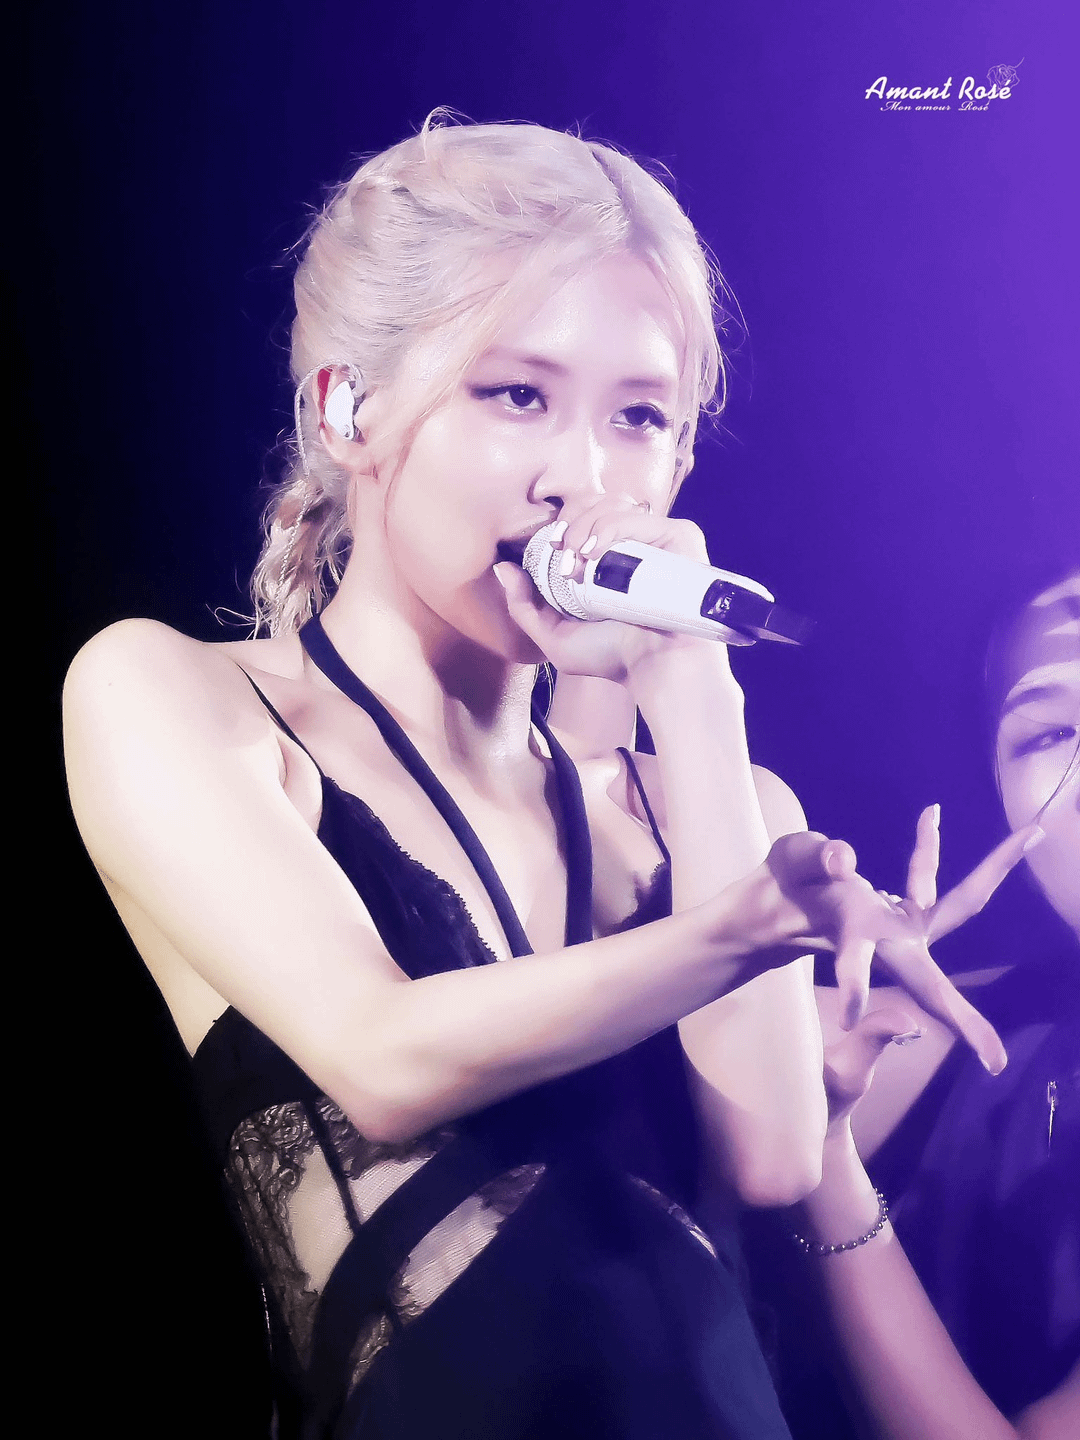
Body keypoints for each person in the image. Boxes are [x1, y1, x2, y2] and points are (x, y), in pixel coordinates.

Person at [61, 117, 1025, 1440]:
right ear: (349, 409)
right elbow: (382, 1057)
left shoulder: (714, 808)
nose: (583, 479)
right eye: (518, 396)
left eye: (640, 419)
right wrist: (742, 930)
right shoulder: (180, 699)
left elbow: (771, 1154)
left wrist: (691, 685)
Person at [769, 569, 1080, 1439]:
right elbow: (640, 1070)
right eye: (1052, 732)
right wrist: (770, 933)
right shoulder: (1004, 1033)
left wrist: (831, 1176)